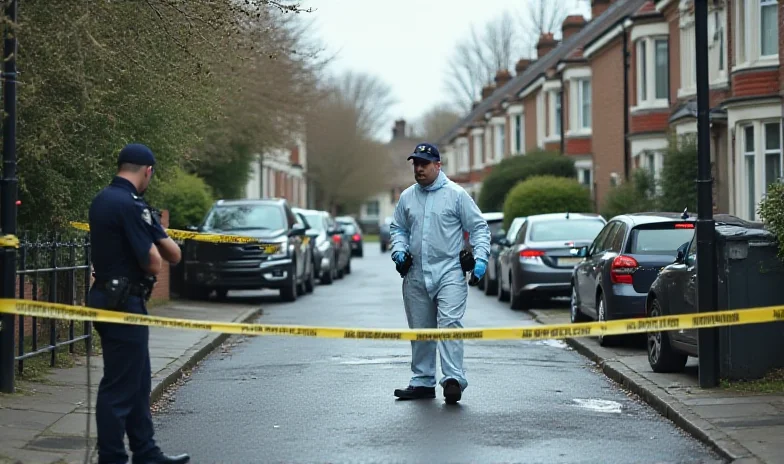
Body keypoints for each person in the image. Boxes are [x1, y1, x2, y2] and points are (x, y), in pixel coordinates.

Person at [87, 143, 189, 464]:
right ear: (148, 171)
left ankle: (146, 451)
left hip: (105, 295)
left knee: (138, 378)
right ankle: (113, 457)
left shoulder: (102, 199)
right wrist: (157, 235)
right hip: (123, 303)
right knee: (119, 386)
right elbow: (157, 262)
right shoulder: (132, 205)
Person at [389, 142, 490, 404]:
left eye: (424, 164)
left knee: (449, 325)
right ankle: (422, 381)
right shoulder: (407, 197)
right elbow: (397, 228)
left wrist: (480, 260)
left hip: (449, 271)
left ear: (438, 165)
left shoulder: (456, 195)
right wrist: (399, 250)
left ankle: (453, 379)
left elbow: (479, 227)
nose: (419, 169)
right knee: (421, 328)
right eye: (416, 164)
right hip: (416, 272)